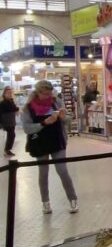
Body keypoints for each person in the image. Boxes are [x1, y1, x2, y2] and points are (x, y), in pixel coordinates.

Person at [21, 80, 78, 215]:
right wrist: (43, 123)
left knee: (63, 171)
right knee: (43, 173)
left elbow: (68, 118)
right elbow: (27, 128)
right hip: (40, 143)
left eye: (49, 93)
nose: (48, 97)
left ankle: (73, 199)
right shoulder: (28, 108)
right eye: (45, 94)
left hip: (57, 141)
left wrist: (65, 117)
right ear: (38, 93)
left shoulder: (56, 102)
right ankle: (45, 202)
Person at [0, 87, 19, 157]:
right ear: (4, 94)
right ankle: (7, 150)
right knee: (12, 134)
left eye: (11, 93)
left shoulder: (11, 101)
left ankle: (7, 150)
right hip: (6, 122)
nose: (10, 94)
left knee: (11, 135)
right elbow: (13, 108)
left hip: (11, 121)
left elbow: (14, 108)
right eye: (8, 93)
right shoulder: (3, 102)